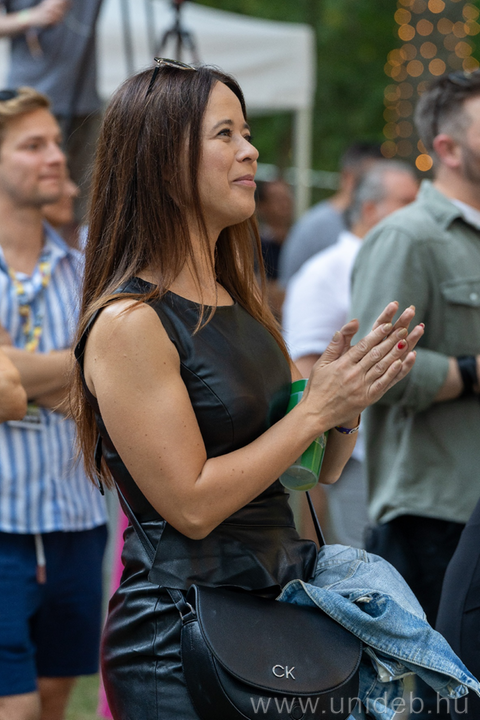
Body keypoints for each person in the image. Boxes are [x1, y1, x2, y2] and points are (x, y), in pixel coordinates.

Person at [71, 61, 423, 720]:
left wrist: (345, 405)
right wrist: (314, 410)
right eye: (225, 134)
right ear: (162, 160)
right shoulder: (130, 322)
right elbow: (191, 505)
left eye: (248, 132)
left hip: (275, 613)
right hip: (179, 641)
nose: (251, 150)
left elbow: (312, 471)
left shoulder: (242, 303)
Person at [351, 70, 480, 719]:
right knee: (439, 703)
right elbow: (372, 365)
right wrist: (470, 372)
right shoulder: (407, 236)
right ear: (448, 147)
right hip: (435, 511)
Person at [0, 86, 107, 720]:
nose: (56, 157)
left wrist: (17, 366)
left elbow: (112, 385)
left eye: (56, 143)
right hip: (2, 527)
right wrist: (79, 371)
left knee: (52, 699)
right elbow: (91, 378)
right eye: (32, 145)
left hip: (77, 523)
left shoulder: (88, 268)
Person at [283, 161, 419, 547]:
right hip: (354, 461)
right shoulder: (324, 272)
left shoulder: (399, 261)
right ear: (370, 208)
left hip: (404, 456)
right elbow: (304, 375)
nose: (417, 210)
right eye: (406, 201)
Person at [0, 0, 105, 222]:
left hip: (85, 102)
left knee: (85, 203)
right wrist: (30, 16)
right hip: (31, 101)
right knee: (41, 203)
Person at [278, 142, 383, 286]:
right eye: (372, 181)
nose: (380, 188)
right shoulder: (314, 226)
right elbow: (288, 287)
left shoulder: (375, 223)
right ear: (348, 177)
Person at [255, 179, 294, 317]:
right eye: (277, 199)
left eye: (287, 198)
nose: (284, 204)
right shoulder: (256, 245)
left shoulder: (297, 240)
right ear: (262, 206)